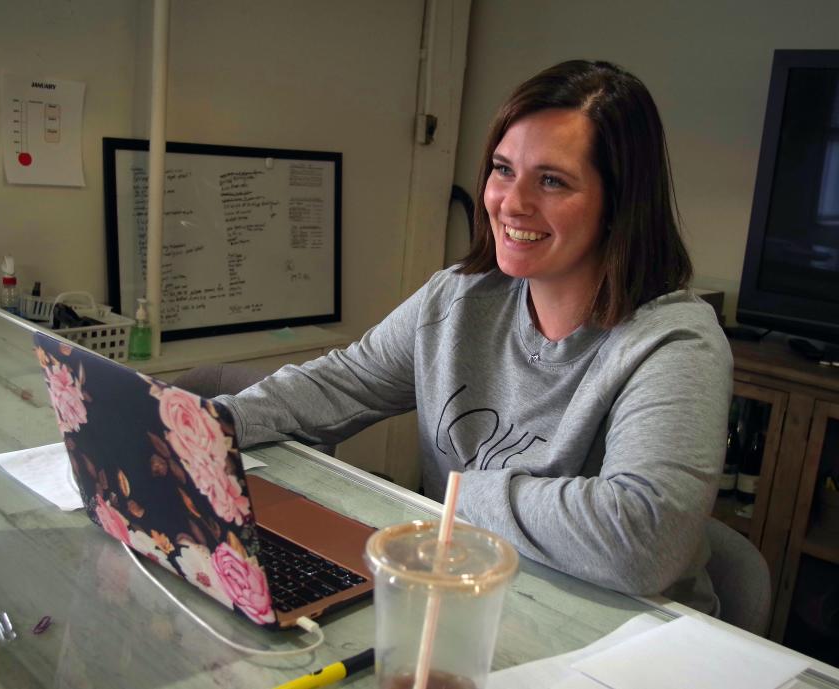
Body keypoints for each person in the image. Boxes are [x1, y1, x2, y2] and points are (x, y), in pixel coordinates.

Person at [213, 60, 732, 613]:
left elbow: (642, 540)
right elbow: (342, 383)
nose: (512, 203)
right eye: (503, 170)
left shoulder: (674, 343)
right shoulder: (459, 297)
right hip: (473, 597)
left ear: (619, 205)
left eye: (552, 181)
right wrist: (208, 428)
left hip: (627, 637)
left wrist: (459, 495)